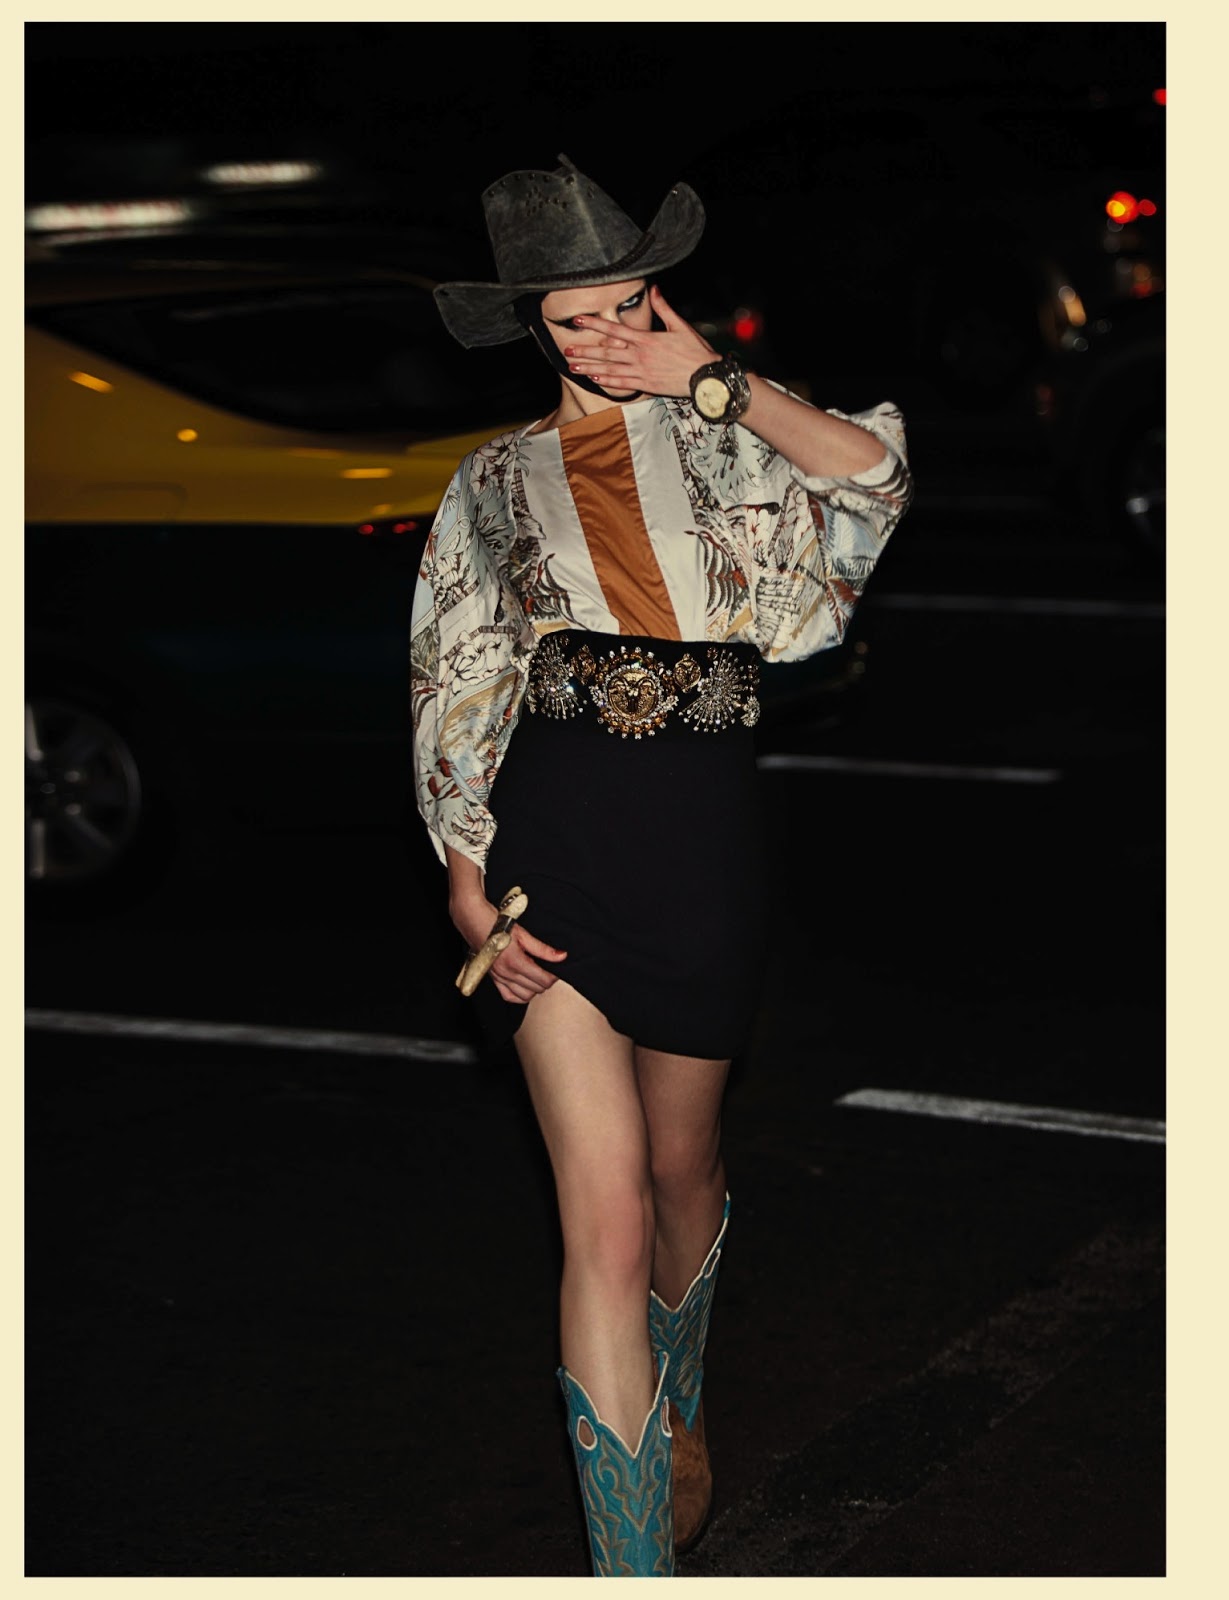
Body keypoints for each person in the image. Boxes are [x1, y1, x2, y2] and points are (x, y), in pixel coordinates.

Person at [412, 154, 912, 1578]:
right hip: (554, 835)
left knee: (685, 1173)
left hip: (700, 834)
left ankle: (677, 1402)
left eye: (628, 304)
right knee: (609, 1212)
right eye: (574, 319)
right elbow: (457, 673)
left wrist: (717, 379)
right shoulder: (493, 480)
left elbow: (873, 478)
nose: (606, 337)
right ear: (532, 328)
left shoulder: (733, 430)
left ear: (663, 298)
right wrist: (463, 871)